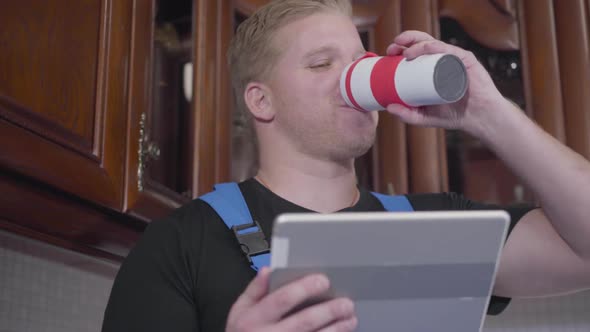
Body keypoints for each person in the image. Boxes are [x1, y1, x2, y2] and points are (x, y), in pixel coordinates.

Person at [101, 0, 590, 331]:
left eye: (359, 59)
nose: (353, 77)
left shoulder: (439, 227)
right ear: (261, 101)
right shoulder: (180, 244)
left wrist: (489, 113)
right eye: (321, 64)